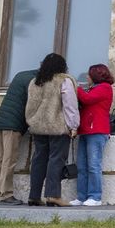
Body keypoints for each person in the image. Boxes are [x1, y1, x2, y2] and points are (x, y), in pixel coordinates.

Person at [24, 52, 77, 206]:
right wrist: (73, 126)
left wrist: (31, 122)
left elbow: (30, 105)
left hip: (38, 127)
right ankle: (53, 195)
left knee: (39, 160)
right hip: (58, 127)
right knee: (56, 159)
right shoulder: (64, 81)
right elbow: (70, 105)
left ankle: (34, 196)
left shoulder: (35, 82)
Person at [70, 63, 114, 207]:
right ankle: (82, 196)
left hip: (97, 131)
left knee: (93, 165)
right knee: (82, 166)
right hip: (86, 130)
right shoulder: (93, 88)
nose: (87, 77)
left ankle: (95, 196)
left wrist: (74, 87)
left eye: (89, 75)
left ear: (95, 75)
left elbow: (87, 99)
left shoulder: (105, 88)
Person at [0, 66, 36, 205]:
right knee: (9, 161)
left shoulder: (21, 74)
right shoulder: (34, 81)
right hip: (13, 124)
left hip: (2, 121)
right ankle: (6, 195)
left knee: (0, 160)